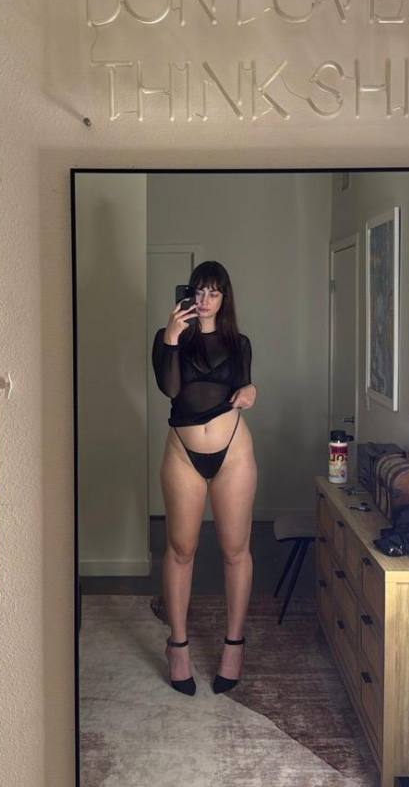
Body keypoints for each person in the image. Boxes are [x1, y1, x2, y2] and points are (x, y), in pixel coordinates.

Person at [151, 260, 258, 697]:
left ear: (224, 297)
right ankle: (177, 645)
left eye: (214, 292)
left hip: (234, 452)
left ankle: (234, 644)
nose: (205, 300)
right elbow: (171, 389)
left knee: (235, 550)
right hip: (183, 453)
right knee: (181, 549)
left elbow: (244, 386)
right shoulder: (168, 338)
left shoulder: (239, 343)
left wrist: (251, 391)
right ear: (188, 294)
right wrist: (172, 337)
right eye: (198, 291)